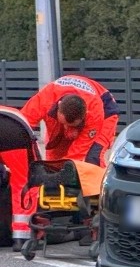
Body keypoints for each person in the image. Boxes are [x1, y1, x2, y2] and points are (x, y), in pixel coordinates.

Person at [12, 75, 118, 250]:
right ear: (58, 109)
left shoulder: (94, 112)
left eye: (73, 127)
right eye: (66, 125)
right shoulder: (45, 99)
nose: (69, 132)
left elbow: (76, 158)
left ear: (83, 118)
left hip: (106, 113)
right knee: (52, 163)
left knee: (90, 163)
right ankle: (58, 215)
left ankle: (95, 221)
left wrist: (63, 177)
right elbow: (22, 124)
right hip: (63, 109)